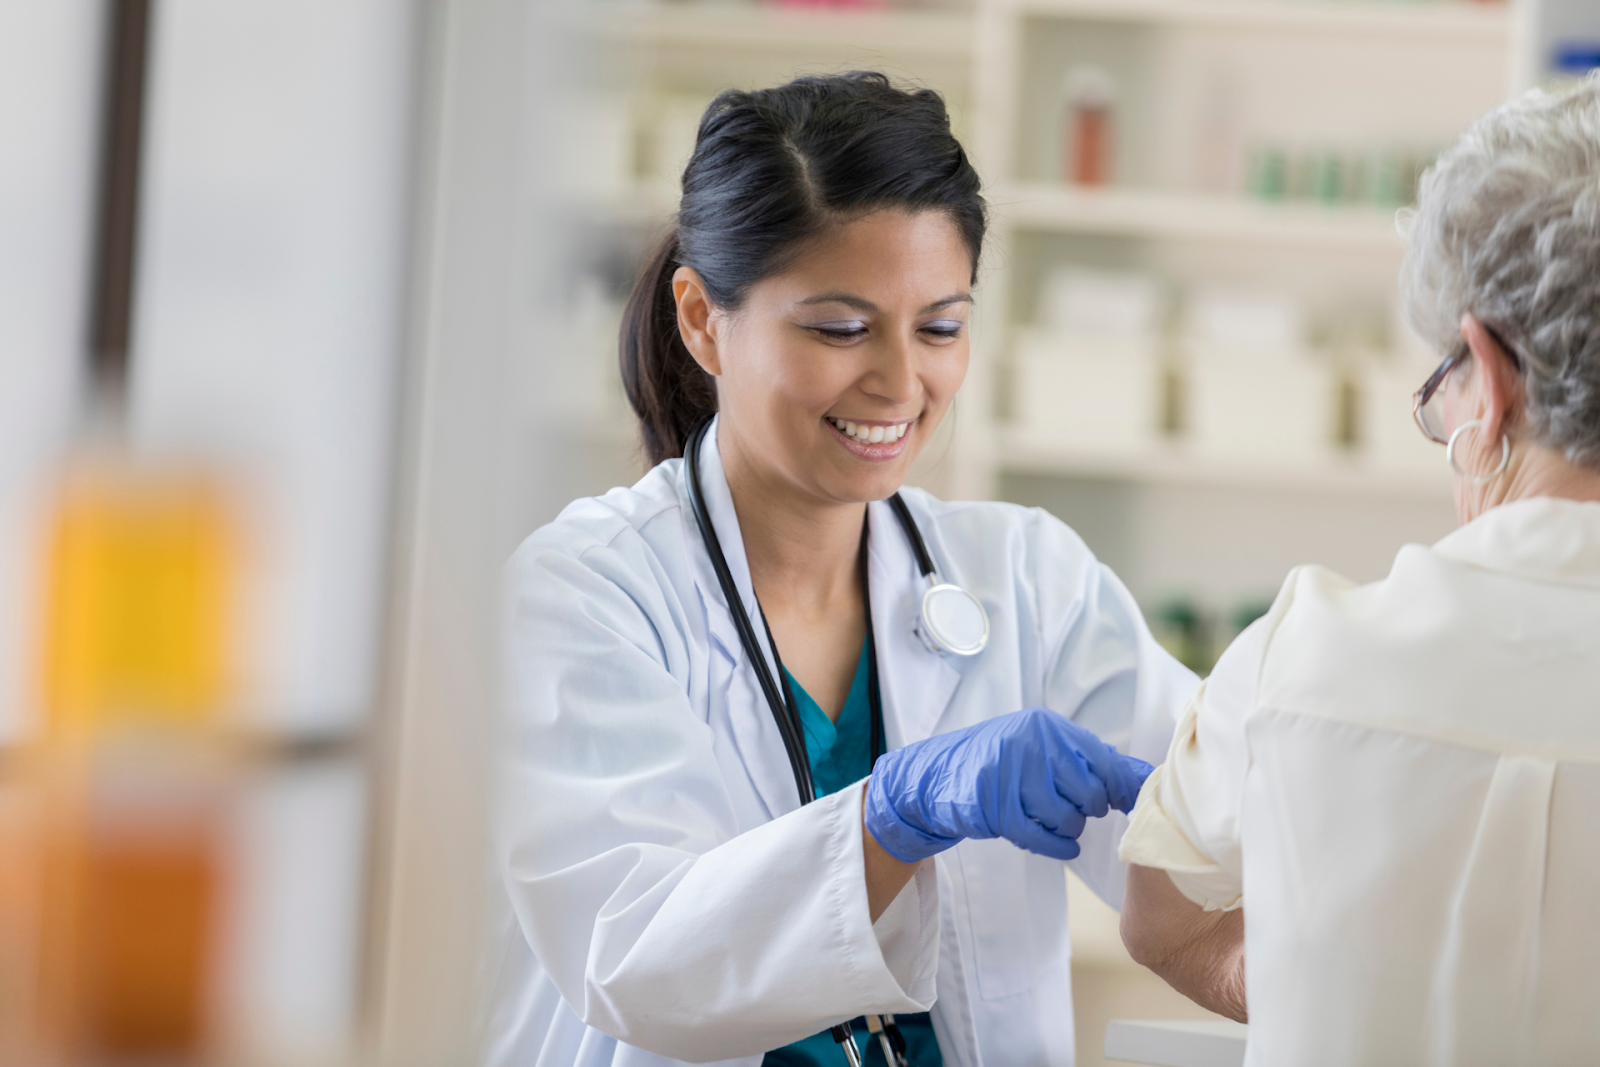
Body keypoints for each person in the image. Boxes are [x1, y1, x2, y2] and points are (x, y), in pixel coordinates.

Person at [481, 73, 1195, 1067]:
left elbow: (1209, 842)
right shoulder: (585, 594)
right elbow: (638, 954)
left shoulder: (1028, 578)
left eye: (939, 327)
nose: (901, 382)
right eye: (840, 328)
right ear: (701, 317)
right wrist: (891, 815)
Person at [1116, 75, 1600, 1065]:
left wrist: (1327, 974)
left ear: (1490, 377)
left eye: (1442, 383)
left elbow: (1158, 923)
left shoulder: (1303, 651)